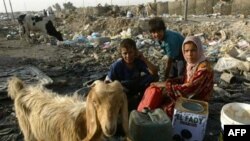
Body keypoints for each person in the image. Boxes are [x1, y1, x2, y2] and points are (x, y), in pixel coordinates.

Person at [149, 36, 214, 118]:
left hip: (198, 99)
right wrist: (170, 81)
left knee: (166, 109)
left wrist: (167, 85)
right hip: (189, 94)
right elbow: (184, 78)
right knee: (162, 99)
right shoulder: (191, 64)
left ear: (199, 50)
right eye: (186, 51)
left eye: (193, 50)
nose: (189, 54)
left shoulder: (204, 68)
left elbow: (190, 87)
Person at [105, 38, 158, 112]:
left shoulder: (138, 62)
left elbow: (154, 72)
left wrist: (143, 58)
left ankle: (143, 99)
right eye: (125, 53)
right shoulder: (117, 66)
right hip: (123, 90)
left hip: (136, 85)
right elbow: (108, 82)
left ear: (135, 52)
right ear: (121, 54)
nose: (128, 56)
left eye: (131, 52)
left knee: (153, 78)